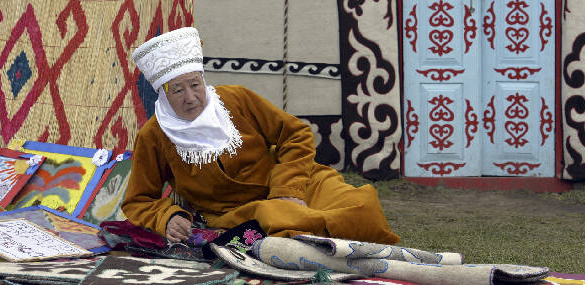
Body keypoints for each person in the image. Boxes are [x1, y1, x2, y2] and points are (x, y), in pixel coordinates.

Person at [122, 27, 399, 245]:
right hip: (241, 211)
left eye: (195, 84)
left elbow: (296, 133)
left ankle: (346, 248)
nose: (191, 97)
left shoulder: (236, 99)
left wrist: (288, 190)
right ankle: (325, 249)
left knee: (361, 204)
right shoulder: (154, 135)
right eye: (178, 90)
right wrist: (167, 217)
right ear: (163, 93)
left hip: (293, 184)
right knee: (278, 219)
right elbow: (138, 199)